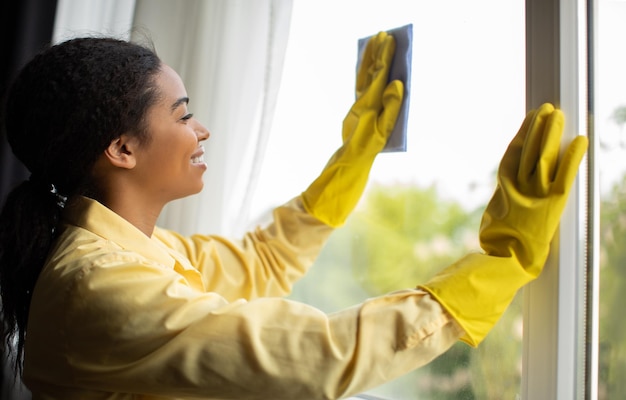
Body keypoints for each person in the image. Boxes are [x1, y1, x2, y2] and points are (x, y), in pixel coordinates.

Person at [0, 34, 587, 400]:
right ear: (122, 150)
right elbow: (318, 357)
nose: (201, 129)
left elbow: (263, 261)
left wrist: (352, 159)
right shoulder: (97, 285)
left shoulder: (137, 254)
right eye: (183, 115)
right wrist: (498, 266)